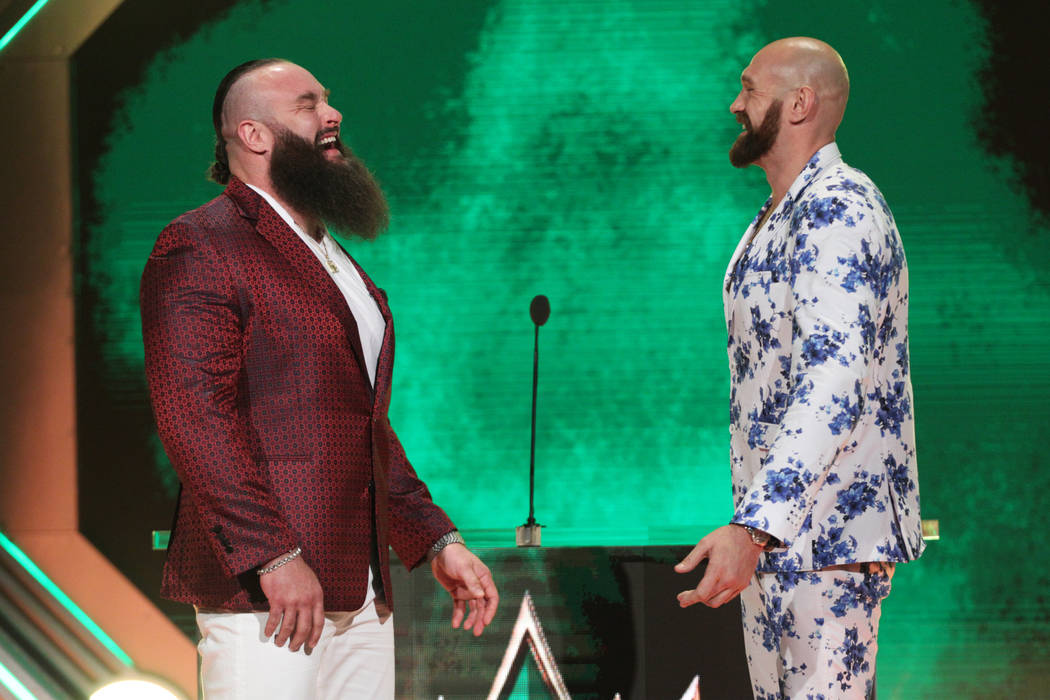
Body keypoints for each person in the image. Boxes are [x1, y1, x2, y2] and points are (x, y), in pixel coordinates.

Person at [140, 58, 498, 699]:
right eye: (308, 105)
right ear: (253, 135)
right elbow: (194, 416)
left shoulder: (331, 254)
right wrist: (272, 556)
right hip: (267, 595)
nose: (333, 116)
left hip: (357, 590)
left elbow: (362, 425)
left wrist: (438, 539)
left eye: (327, 101)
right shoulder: (201, 243)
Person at [674, 37, 924, 699]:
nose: (735, 103)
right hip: (783, 541)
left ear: (800, 104)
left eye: (750, 89)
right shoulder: (779, 215)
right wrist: (759, 529)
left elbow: (833, 384)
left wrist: (754, 526)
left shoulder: (841, 208)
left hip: (829, 539)